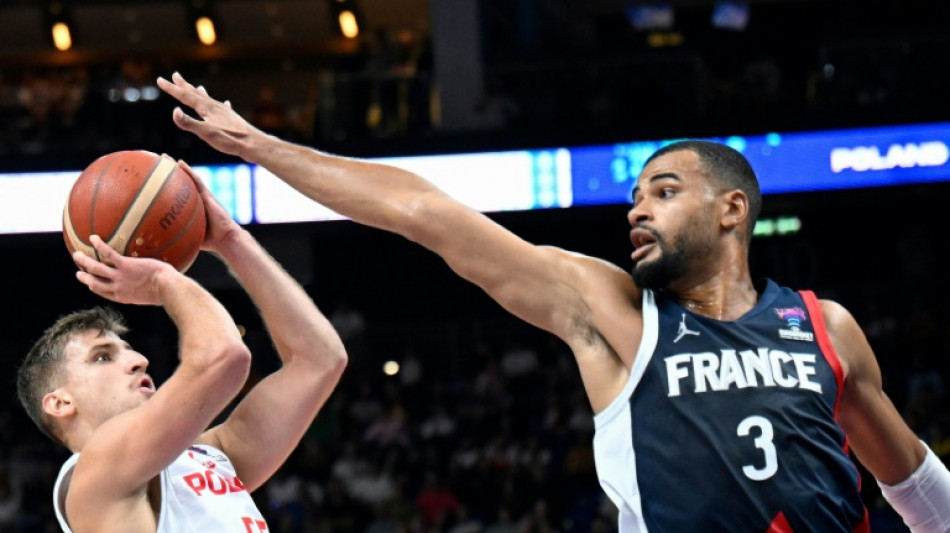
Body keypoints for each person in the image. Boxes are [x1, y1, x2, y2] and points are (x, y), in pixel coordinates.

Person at [158, 72, 950, 532]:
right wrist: (263, 147)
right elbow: (424, 213)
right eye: (635, 196)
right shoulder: (615, 314)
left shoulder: (825, 326)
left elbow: (915, 486)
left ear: (732, 210)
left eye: (664, 193)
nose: (637, 209)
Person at [16, 159, 347, 533]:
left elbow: (319, 360)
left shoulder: (211, 456)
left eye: (128, 349)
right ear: (60, 403)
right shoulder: (94, 473)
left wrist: (230, 240)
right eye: (103, 356)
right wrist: (162, 281)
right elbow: (225, 358)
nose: (139, 360)